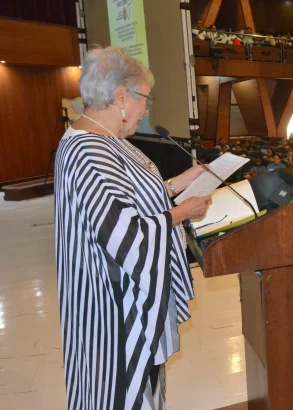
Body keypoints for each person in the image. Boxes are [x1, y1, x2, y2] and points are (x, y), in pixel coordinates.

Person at [55, 47, 212, 409]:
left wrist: (177, 184)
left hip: (128, 294)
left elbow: (130, 197)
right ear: (120, 96)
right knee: (122, 389)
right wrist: (181, 213)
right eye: (145, 98)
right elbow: (123, 234)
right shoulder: (88, 150)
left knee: (146, 386)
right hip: (113, 304)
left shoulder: (108, 140)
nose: (147, 108)